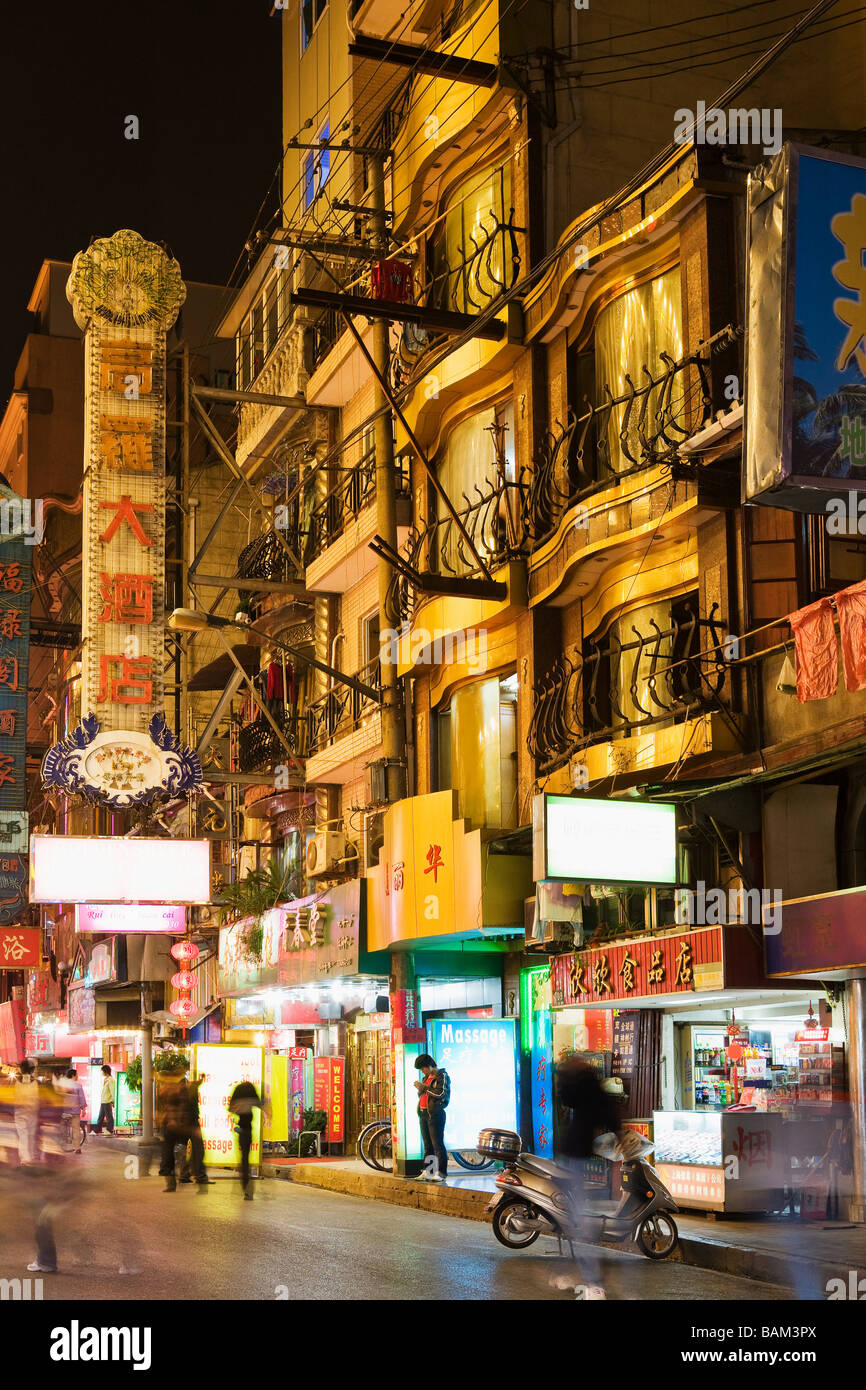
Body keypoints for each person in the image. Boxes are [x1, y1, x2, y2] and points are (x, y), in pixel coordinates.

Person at [552, 1058, 624, 1301]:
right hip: (575, 1157)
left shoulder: (580, 1095)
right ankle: (587, 1279)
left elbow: (606, 1116)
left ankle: (593, 1284)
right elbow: (611, 1118)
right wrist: (621, 1135)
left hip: (572, 1157)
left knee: (577, 1223)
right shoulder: (590, 1094)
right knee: (575, 1221)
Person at [413, 1054, 450, 1181]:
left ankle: (442, 1173)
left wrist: (424, 1088)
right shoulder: (426, 1078)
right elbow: (424, 1093)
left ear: (429, 1065)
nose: (422, 1071)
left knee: (437, 1144)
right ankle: (428, 1172)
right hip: (423, 1114)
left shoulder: (442, 1076)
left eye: (423, 1068)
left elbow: (441, 1093)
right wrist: (421, 1088)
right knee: (428, 1145)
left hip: (435, 1114)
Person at [228, 1080, 263, 1199]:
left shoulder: (239, 1091)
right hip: (247, 1130)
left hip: (242, 1130)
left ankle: (246, 1188)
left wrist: (239, 1107)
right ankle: (248, 1189)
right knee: (245, 1160)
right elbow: (261, 1104)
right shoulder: (250, 1090)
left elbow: (230, 1108)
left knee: (244, 1160)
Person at [91, 1065, 115, 1135]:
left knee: (109, 1117)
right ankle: (97, 1130)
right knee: (100, 1116)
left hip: (107, 1101)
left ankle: (110, 1130)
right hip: (104, 1101)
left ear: (105, 1071)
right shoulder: (106, 1079)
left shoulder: (111, 1080)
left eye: (102, 1071)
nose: (101, 1072)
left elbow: (112, 1091)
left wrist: (113, 1101)